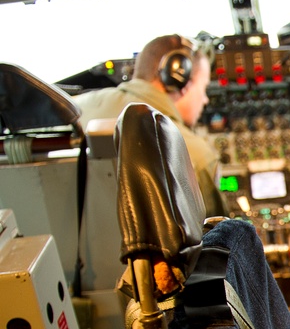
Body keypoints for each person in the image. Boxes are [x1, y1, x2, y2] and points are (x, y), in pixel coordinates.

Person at [75, 34, 228, 218]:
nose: (204, 100)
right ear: (180, 79)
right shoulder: (193, 155)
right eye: (203, 88)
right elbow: (219, 237)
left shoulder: (72, 110)